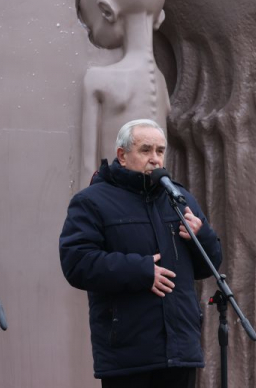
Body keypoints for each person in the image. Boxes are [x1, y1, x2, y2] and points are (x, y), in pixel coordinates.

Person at [59, 119, 222, 388]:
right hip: (128, 352)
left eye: (160, 151)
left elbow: (210, 265)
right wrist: (141, 271)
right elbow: (76, 262)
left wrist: (200, 235)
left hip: (181, 350)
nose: (155, 159)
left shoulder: (179, 198)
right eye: (146, 150)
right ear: (122, 156)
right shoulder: (92, 201)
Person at [77, 0, 171, 189]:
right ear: (159, 19)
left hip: (112, 206)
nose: (92, 34)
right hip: (153, 206)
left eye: (90, 25)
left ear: (107, 11)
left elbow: (88, 167)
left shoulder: (98, 80)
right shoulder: (160, 82)